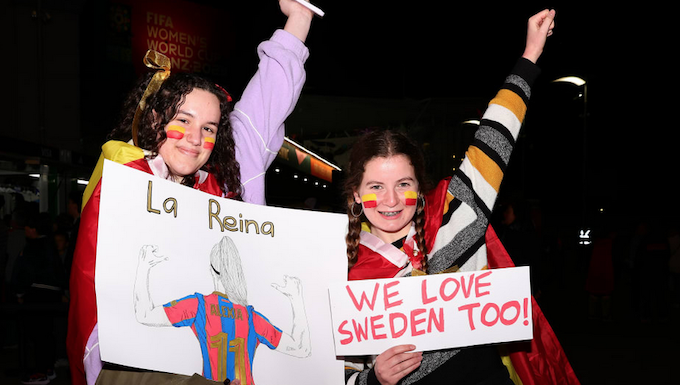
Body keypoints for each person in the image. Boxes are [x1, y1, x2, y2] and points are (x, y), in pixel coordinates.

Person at [66, 2, 315, 385]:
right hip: (132, 368)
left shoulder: (225, 186)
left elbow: (265, 106)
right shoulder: (124, 180)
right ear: (154, 118)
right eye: (183, 121)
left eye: (211, 128)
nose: (197, 139)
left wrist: (299, 18)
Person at [342, 10, 564, 385]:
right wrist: (374, 379)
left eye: (404, 184)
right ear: (356, 196)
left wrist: (528, 58)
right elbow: (335, 372)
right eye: (376, 187)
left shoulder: (455, 215)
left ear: (420, 187)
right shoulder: (340, 271)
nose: (391, 200)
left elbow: (493, 140)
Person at [133, 236, 310, 384]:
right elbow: (301, 348)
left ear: (212, 270)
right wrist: (296, 298)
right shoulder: (251, 317)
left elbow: (144, 314)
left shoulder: (199, 306)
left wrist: (143, 267)